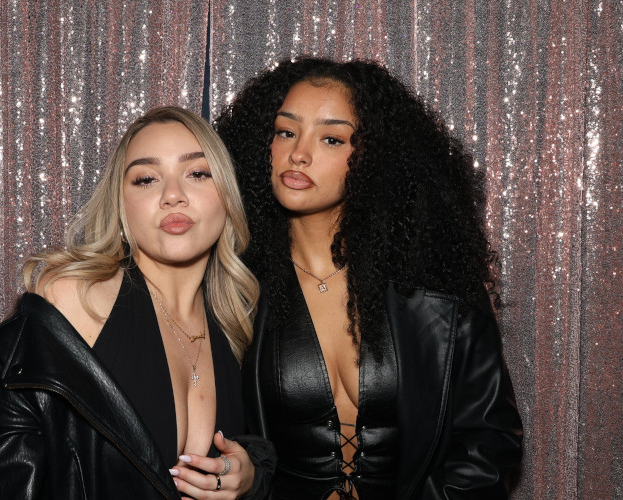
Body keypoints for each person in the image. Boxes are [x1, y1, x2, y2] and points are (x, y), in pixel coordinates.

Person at [214, 57, 523, 499]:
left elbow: (489, 442)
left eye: (332, 139)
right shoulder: (231, 284)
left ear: (373, 157)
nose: (299, 153)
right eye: (285, 132)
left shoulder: (435, 288)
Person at [0, 106, 275, 499]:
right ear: (121, 206)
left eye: (198, 173)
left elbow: (269, 444)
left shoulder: (235, 318)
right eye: (146, 179)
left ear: (227, 196)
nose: (173, 195)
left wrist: (249, 475)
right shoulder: (79, 298)